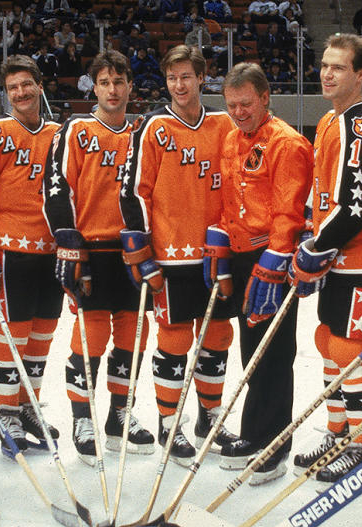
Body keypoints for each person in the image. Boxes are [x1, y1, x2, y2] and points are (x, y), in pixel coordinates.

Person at [118, 44, 237, 465]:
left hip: (216, 254)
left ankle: (210, 417)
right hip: (170, 257)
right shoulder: (153, 127)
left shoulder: (224, 124)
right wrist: (141, 252)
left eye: (186, 76)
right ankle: (170, 423)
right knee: (174, 339)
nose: (179, 85)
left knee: (219, 337)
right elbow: (133, 192)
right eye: (172, 78)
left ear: (202, 78)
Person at [287, 34, 362, 487]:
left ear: (360, 74)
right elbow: (324, 195)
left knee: (354, 351)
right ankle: (339, 432)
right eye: (325, 66)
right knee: (330, 343)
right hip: (334, 261)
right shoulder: (331, 122)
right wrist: (311, 236)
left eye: (339, 68)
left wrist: (317, 247)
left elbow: (357, 205)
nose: (327, 74)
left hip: (361, 262)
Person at [44, 49, 158, 464]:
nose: (112, 89)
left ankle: (119, 415)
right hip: (91, 248)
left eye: (119, 81)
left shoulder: (143, 132)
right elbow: (55, 189)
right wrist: (69, 245)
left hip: (133, 251)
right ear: (94, 86)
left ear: (130, 86)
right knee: (90, 338)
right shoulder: (74, 129)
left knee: (133, 337)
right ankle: (81, 418)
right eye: (104, 82)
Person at [205, 62, 311, 483]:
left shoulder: (289, 143)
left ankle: (273, 443)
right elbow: (227, 198)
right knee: (251, 351)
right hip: (241, 255)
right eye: (231, 105)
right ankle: (254, 432)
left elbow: (290, 211)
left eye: (246, 103)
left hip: (273, 259)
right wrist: (220, 243)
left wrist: (277, 263)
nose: (238, 112)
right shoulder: (231, 139)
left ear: (266, 97)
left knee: (273, 352)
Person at [0, 55, 62, 453]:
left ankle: (28, 405)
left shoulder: (59, 133)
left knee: (41, 336)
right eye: (12, 87)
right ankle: (7, 414)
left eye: (26, 85)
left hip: (51, 252)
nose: (20, 93)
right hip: (10, 250)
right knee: (12, 334)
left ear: (39, 86)